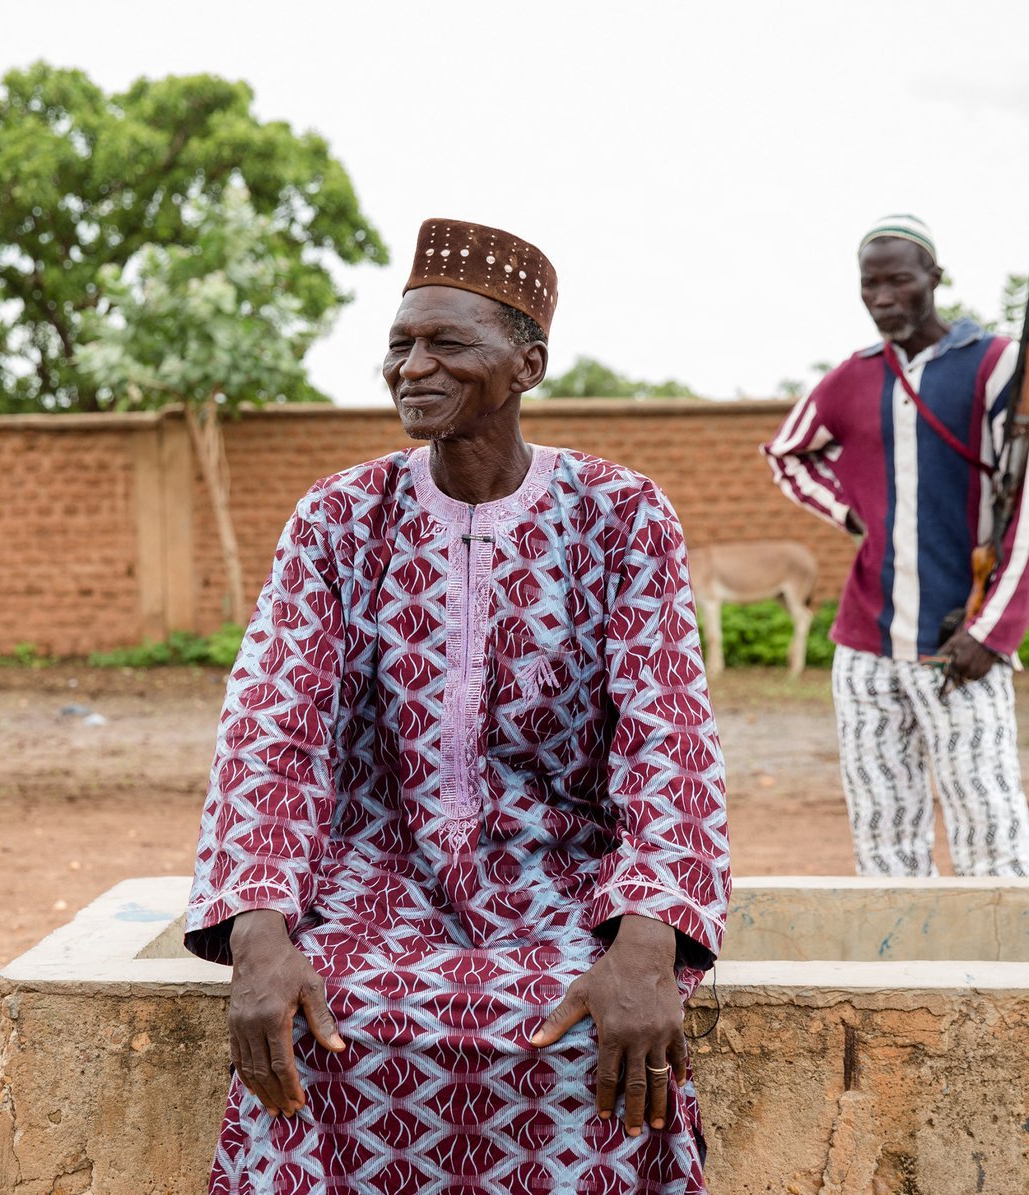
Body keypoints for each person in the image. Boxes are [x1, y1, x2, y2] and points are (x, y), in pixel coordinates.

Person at [184, 218, 731, 1193]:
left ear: (525, 364)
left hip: (567, 884)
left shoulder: (619, 513)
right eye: (399, 343)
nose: (412, 365)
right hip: (373, 884)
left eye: (445, 343)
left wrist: (648, 941)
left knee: (597, 1040)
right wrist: (257, 935)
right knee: (317, 1030)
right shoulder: (338, 519)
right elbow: (273, 733)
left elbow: (669, 732)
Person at [762, 214, 1029, 878]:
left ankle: (1007, 977)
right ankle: (899, 976)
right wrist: (850, 512)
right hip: (864, 646)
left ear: (933, 280)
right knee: (883, 832)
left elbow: (1028, 508)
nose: (883, 298)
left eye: (898, 281)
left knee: (989, 829)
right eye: (870, 285)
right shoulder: (854, 376)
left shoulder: (995, 363)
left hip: (959, 642)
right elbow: (787, 455)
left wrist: (994, 631)